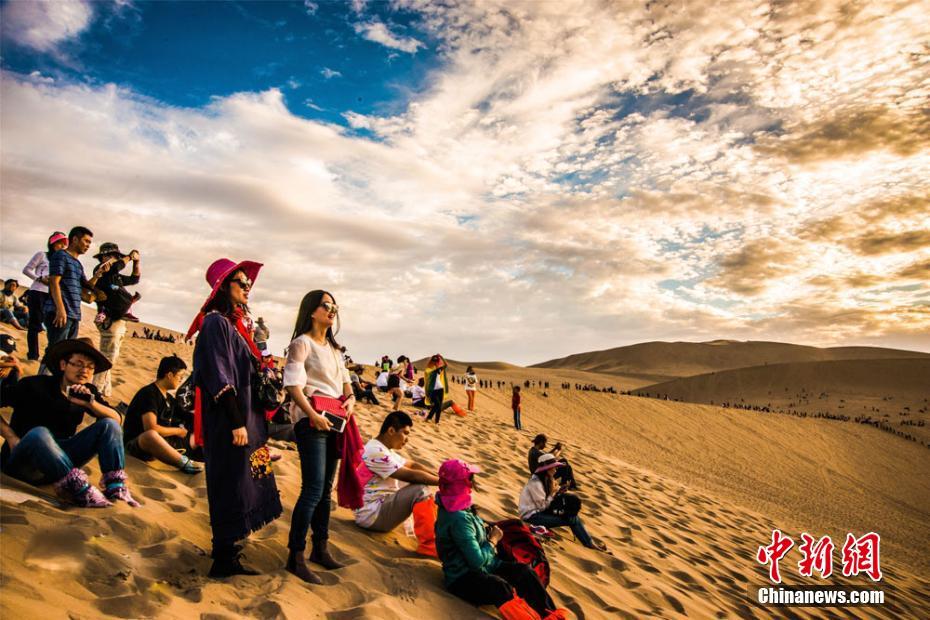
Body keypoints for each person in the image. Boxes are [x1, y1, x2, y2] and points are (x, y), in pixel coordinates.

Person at [189, 258, 282, 577]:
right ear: (223, 288)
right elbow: (218, 374)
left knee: (249, 478)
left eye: (248, 283)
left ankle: (232, 548)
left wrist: (261, 343)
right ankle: (223, 557)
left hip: (248, 419)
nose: (247, 288)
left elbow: (254, 369)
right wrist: (235, 422)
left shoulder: (234, 327)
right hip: (231, 421)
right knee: (229, 480)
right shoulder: (214, 323)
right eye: (241, 283)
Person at [0, 338, 139, 507]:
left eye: (90, 367)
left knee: (109, 425)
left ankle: (116, 488)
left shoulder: (88, 392)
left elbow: (116, 419)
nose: (84, 370)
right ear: (63, 365)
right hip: (24, 462)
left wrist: (91, 403)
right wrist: (11, 438)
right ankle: (80, 491)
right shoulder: (34, 385)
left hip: (59, 465)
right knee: (40, 434)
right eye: (78, 364)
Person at [282, 289, 357, 584]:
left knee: (326, 490)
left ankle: (320, 549)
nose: (332, 310)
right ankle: (295, 555)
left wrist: (350, 401)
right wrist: (311, 415)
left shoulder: (337, 351)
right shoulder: (301, 344)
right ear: (312, 310)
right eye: (326, 305)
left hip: (337, 420)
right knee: (312, 489)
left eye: (335, 306)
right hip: (311, 420)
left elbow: (347, 386)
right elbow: (292, 385)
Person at [435, 459, 567, 619]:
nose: (472, 483)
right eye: (470, 479)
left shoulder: (458, 508)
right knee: (500, 587)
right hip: (462, 578)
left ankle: (550, 615)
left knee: (524, 571)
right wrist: (493, 541)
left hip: (487, 565)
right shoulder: (457, 518)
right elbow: (476, 561)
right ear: (463, 483)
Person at [355, 411, 439, 554]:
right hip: (372, 515)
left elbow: (412, 465)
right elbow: (412, 475)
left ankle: (436, 534)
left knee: (421, 487)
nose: (407, 439)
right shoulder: (375, 451)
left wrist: (441, 476)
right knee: (419, 489)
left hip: (380, 508)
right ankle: (431, 547)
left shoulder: (383, 449)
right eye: (405, 433)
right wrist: (444, 481)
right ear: (391, 430)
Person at [123, 355, 203, 474]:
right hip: (140, 443)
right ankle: (183, 462)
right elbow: (151, 428)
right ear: (169, 375)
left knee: (200, 427)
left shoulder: (169, 398)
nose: (181, 380)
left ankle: (203, 456)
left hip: (166, 441)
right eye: (180, 376)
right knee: (150, 435)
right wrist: (178, 431)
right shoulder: (149, 394)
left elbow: (186, 416)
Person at [518, 454, 605, 551]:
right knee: (572, 519)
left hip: (538, 513)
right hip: (531, 517)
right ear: (547, 469)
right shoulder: (536, 483)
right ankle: (590, 544)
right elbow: (542, 506)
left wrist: (559, 492)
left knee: (571, 514)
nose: (555, 470)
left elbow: (545, 502)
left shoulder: (545, 479)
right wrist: (553, 493)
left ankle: (590, 543)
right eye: (554, 468)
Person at [91, 242, 142, 397]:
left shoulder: (115, 276)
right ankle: (96, 391)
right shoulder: (102, 271)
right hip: (109, 319)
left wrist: (136, 263)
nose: (116, 259)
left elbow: (134, 279)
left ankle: (104, 389)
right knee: (108, 356)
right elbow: (116, 266)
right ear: (104, 257)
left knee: (111, 354)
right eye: (113, 256)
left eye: (117, 257)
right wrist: (129, 257)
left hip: (118, 320)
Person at [44, 226, 94, 355]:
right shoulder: (61, 255)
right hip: (60, 312)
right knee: (55, 352)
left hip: (74, 314)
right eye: (86, 241)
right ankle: (43, 375)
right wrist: (60, 310)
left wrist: (99, 274)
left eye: (90, 242)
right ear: (75, 239)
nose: (88, 245)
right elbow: (54, 282)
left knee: (66, 355)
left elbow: (87, 285)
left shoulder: (77, 263)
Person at [22, 232, 68, 360]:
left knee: (51, 324)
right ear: (52, 243)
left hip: (54, 294)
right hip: (38, 292)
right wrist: (39, 278)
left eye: (64, 244)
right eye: (60, 243)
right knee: (34, 324)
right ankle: (33, 355)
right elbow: (26, 269)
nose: (62, 246)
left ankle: (50, 355)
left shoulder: (62, 260)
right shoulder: (42, 255)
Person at [424, 354, 449, 424]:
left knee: (439, 406)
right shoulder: (428, 370)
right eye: (434, 361)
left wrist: (441, 357)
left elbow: (446, 365)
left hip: (440, 389)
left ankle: (437, 421)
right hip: (433, 390)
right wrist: (431, 358)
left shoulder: (439, 369)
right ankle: (428, 418)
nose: (436, 362)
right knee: (437, 405)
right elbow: (427, 366)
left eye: (437, 361)